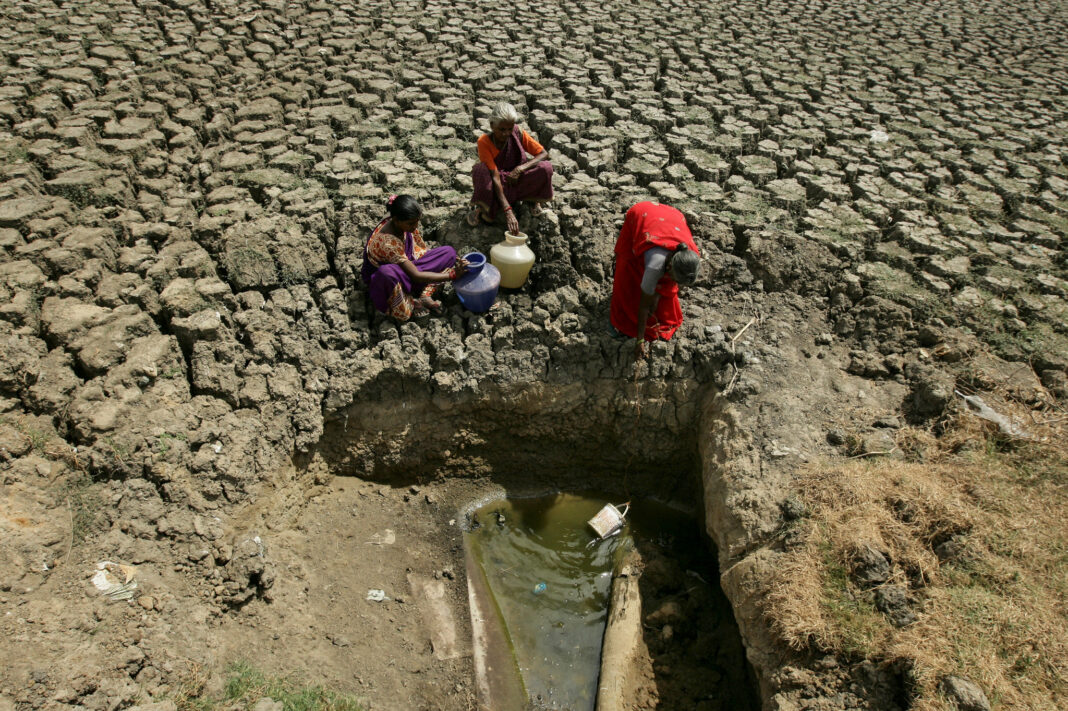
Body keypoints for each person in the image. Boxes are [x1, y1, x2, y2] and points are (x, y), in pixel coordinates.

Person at [609, 202, 701, 359]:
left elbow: (669, 282)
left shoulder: (690, 257)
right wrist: (639, 341)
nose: (672, 281)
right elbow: (643, 308)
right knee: (628, 276)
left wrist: (657, 295)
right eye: (672, 277)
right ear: (670, 265)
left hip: (671, 217)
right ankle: (619, 320)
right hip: (641, 215)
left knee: (659, 300)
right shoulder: (655, 265)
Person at [362, 194, 467, 321]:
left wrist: (457, 260)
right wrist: (452, 275)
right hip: (392, 279)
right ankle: (409, 301)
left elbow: (415, 257)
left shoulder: (398, 222)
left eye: (417, 221)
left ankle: (423, 295)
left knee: (449, 253)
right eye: (411, 223)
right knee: (386, 274)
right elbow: (415, 275)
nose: (415, 226)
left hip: (407, 266)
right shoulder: (387, 242)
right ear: (396, 220)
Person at [468, 102, 553, 234]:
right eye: (502, 129)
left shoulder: (517, 132)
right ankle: (485, 207)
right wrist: (508, 211)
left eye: (509, 128)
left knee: (545, 168)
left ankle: (531, 200)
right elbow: (495, 176)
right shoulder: (484, 142)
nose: (506, 133)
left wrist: (521, 169)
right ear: (492, 126)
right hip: (499, 183)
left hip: (517, 179)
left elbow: (543, 154)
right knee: (480, 171)